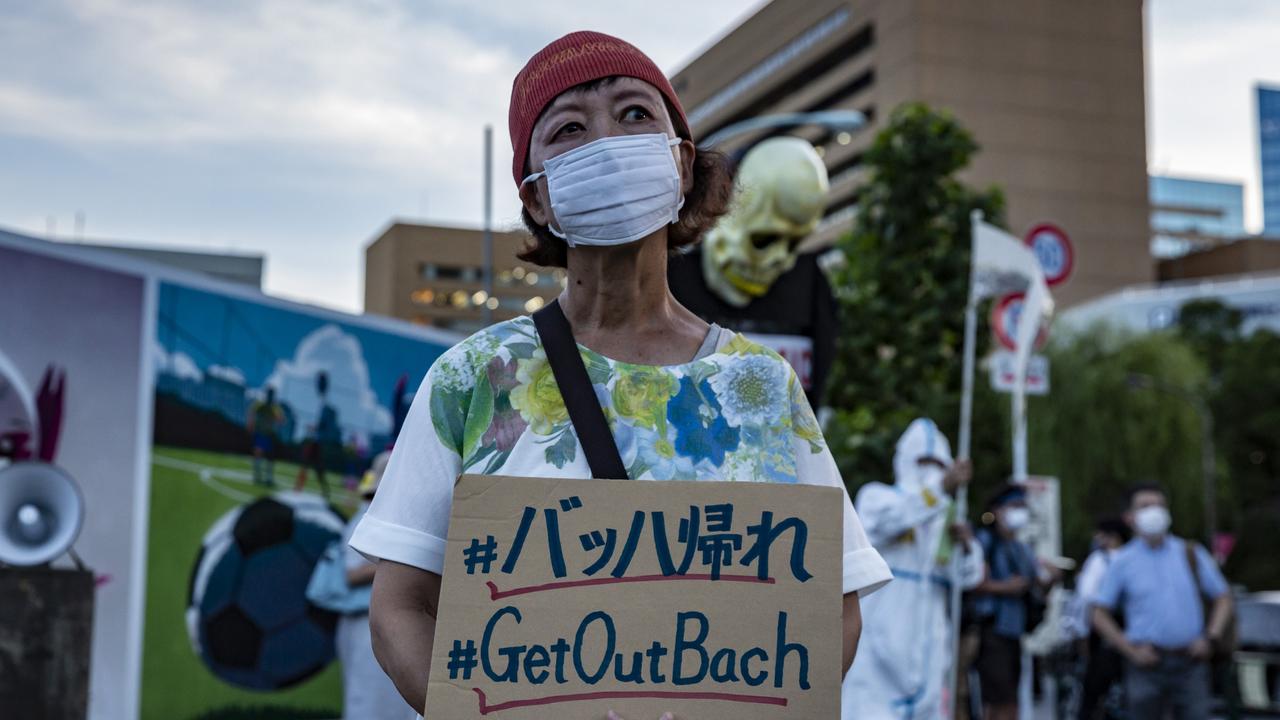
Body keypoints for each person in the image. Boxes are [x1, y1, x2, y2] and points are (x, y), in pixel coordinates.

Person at [348, 30, 892, 718]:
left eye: (635, 114)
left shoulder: (762, 386)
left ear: (682, 161)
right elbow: (399, 606)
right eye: (569, 128)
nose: (606, 142)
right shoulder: (474, 379)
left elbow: (835, 603)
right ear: (537, 199)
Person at [842, 418, 986, 719]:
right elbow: (891, 519)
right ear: (905, 459)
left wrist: (966, 546)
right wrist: (939, 491)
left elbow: (965, 577)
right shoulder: (877, 497)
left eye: (938, 463)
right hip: (881, 629)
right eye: (923, 460)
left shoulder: (945, 516)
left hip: (929, 635)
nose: (930, 469)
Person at [1091, 483, 1233, 720]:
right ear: (1129, 517)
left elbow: (1223, 597)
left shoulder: (1190, 552)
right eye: (1145, 506)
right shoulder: (1123, 561)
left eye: (1159, 505)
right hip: (1146, 665)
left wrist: (1211, 637)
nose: (1154, 511)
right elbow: (1098, 613)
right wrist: (1130, 650)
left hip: (1190, 662)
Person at [969, 484, 1057, 720]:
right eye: (1015, 506)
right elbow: (973, 582)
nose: (1021, 512)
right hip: (992, 631)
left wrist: (1052, 580)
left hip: (1014, 632)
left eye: (1023, 507)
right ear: (997, 511)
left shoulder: (1022, 548)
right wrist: (1006, 587)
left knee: (1011, 699)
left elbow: (1036, 586)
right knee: (997, 700)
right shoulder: (985, 541)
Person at [335, 450, 407, 719]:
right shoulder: (364, 521)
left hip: (392, 623)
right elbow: (351, 574)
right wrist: (403, 566)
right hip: (363, 625)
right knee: (367, 703)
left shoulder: (401, 522)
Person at [1067, 517, 1130, 719]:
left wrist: (1081, 633)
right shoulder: (1134, 558)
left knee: (1093, 692)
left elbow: (1085, 597)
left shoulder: (1099, 560)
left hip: (1101, 632)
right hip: (1133, 633)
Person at [245, 386, 283, 487]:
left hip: (269, 434)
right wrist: (250, 424)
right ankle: (257, 476)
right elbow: (251, 412)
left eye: (272, 394)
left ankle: (269, 478)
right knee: (258, 453)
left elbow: (281, 419)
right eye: (269, 394)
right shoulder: (260, 404)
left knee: (270, 456)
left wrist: (277, 417)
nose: (270, 396)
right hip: (260, 432)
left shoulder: (274, 407)